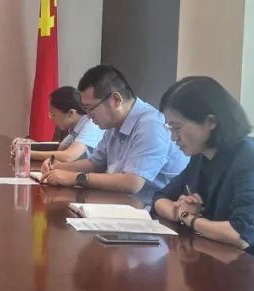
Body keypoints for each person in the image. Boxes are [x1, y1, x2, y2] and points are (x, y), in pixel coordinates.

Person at [151, 76, 254, 273]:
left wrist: (187, 217)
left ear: (210, 122)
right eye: (169, 128)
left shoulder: (251, 162)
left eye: (177, 127)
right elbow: (160, 198)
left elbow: (240, 235)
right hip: (218, 264)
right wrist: (179, 212)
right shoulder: (202, 156)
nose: (173, 137)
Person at [41, 65, 188, 203]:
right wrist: (58, 167)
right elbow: (94, 164)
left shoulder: (151, 126)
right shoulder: (113, 124)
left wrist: (76, 178)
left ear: (116, 100)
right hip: (120, 205)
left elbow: (132, 183)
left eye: (90, 108)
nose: (88, 116)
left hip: (151, 213)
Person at [25, 86, 104, 162]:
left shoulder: (91, 125)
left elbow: (68, 156)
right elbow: (61, 150)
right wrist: (29, 144)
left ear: (71, 113)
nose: (50, 117)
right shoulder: (74, 128)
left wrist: (27, 153)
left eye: (53, 114)